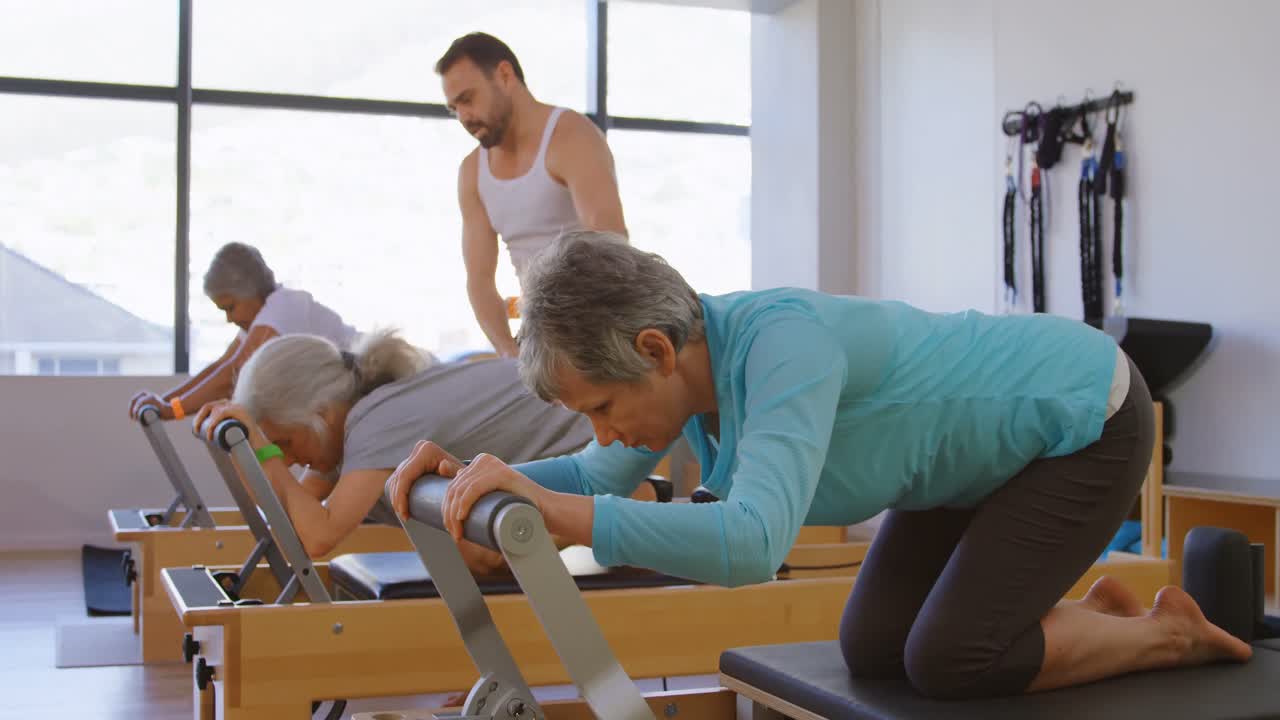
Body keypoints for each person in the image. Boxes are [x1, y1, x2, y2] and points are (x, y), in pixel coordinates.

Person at [388, 230, 1252, 700]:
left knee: (950, 660)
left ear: (654, 349)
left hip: (1081, 416)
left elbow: (752, 545)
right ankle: (1080, 616)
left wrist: (555, 512)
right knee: (873, 648)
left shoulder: (778, 346)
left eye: (602, 409)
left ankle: (1161, 633)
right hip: (966, 468)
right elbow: (596, 477)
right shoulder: (679, 374)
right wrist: (474, 479)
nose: (604, 433)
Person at [194, 331, 597, 561]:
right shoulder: (347, 434)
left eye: (284, 441)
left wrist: (264, 454)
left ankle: (637, 493)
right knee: (474, 553)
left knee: (485, 555)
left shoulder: (375, 423)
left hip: (596, 439)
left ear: (321, 414)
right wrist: (250, 452)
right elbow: (292, 532)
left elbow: (319, 538)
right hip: (563, 453)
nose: (288, 458)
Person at [438, 32, 626, 357]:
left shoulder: (570, 136)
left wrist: (581, 340)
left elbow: (611, 242)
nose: (464, 117)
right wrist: (509, 356)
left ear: (505, 75)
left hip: (598, 327)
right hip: (538, 337)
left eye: (468, 99)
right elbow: (480, 280)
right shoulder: (472, 172)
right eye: (454, 108)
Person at [128, 242, 358, 421]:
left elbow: (234, 374)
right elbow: (221, 366)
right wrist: (163, 401)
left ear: (251, 292)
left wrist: (171, 410)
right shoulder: (262, 318)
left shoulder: (284, 306)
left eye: (231, 307)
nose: (230, 318)